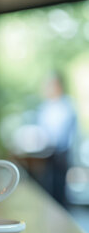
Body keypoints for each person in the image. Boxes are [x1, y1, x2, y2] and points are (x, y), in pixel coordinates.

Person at [37, 73, 77, 206]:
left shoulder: (67, 106)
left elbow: (69, 132)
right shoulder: (45, 107)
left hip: (62, 152)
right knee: (47, 186)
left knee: (61, 187)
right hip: (47, 153)